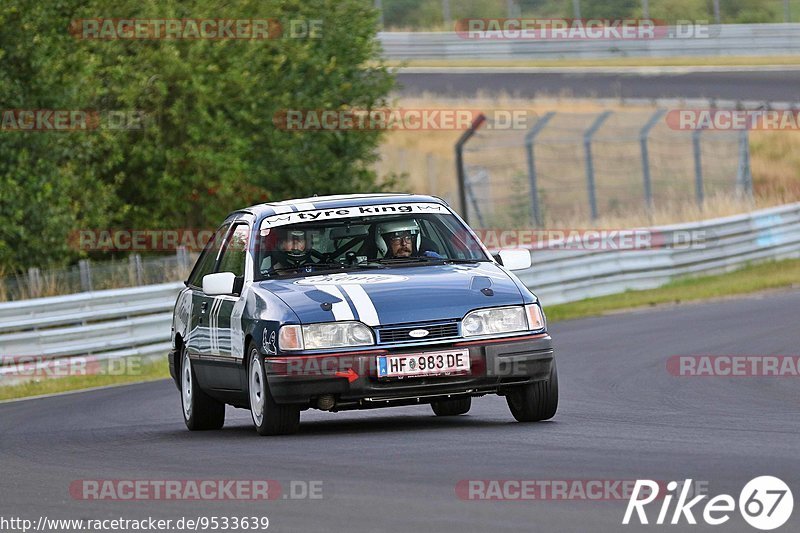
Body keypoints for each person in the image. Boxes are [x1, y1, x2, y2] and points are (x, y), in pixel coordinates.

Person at [375, 219, 442, 259]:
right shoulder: (373, 270)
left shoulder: (432, 259)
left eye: (408, 238)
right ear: (385, 242)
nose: (404, 243)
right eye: (397, 239)